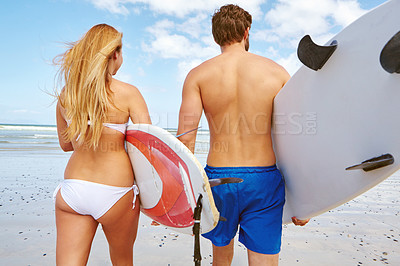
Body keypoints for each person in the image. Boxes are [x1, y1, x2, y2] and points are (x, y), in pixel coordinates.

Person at [177, 5, 309, 266]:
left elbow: (185, 143)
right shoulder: (276, 72)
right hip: (263, 182)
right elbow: (297, 141)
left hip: (218, 181)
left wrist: (178, 198)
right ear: (247, 31)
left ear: (216, 37)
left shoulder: (198, 76)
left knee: (221, 260)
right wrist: (306, 201)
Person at [53, 24, 151, 265]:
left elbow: (66, 145)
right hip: (115, 193)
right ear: (115, 54)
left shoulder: (68, 95)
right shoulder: (129, 93)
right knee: (122, 261)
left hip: (73, 190)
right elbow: (148, 150)